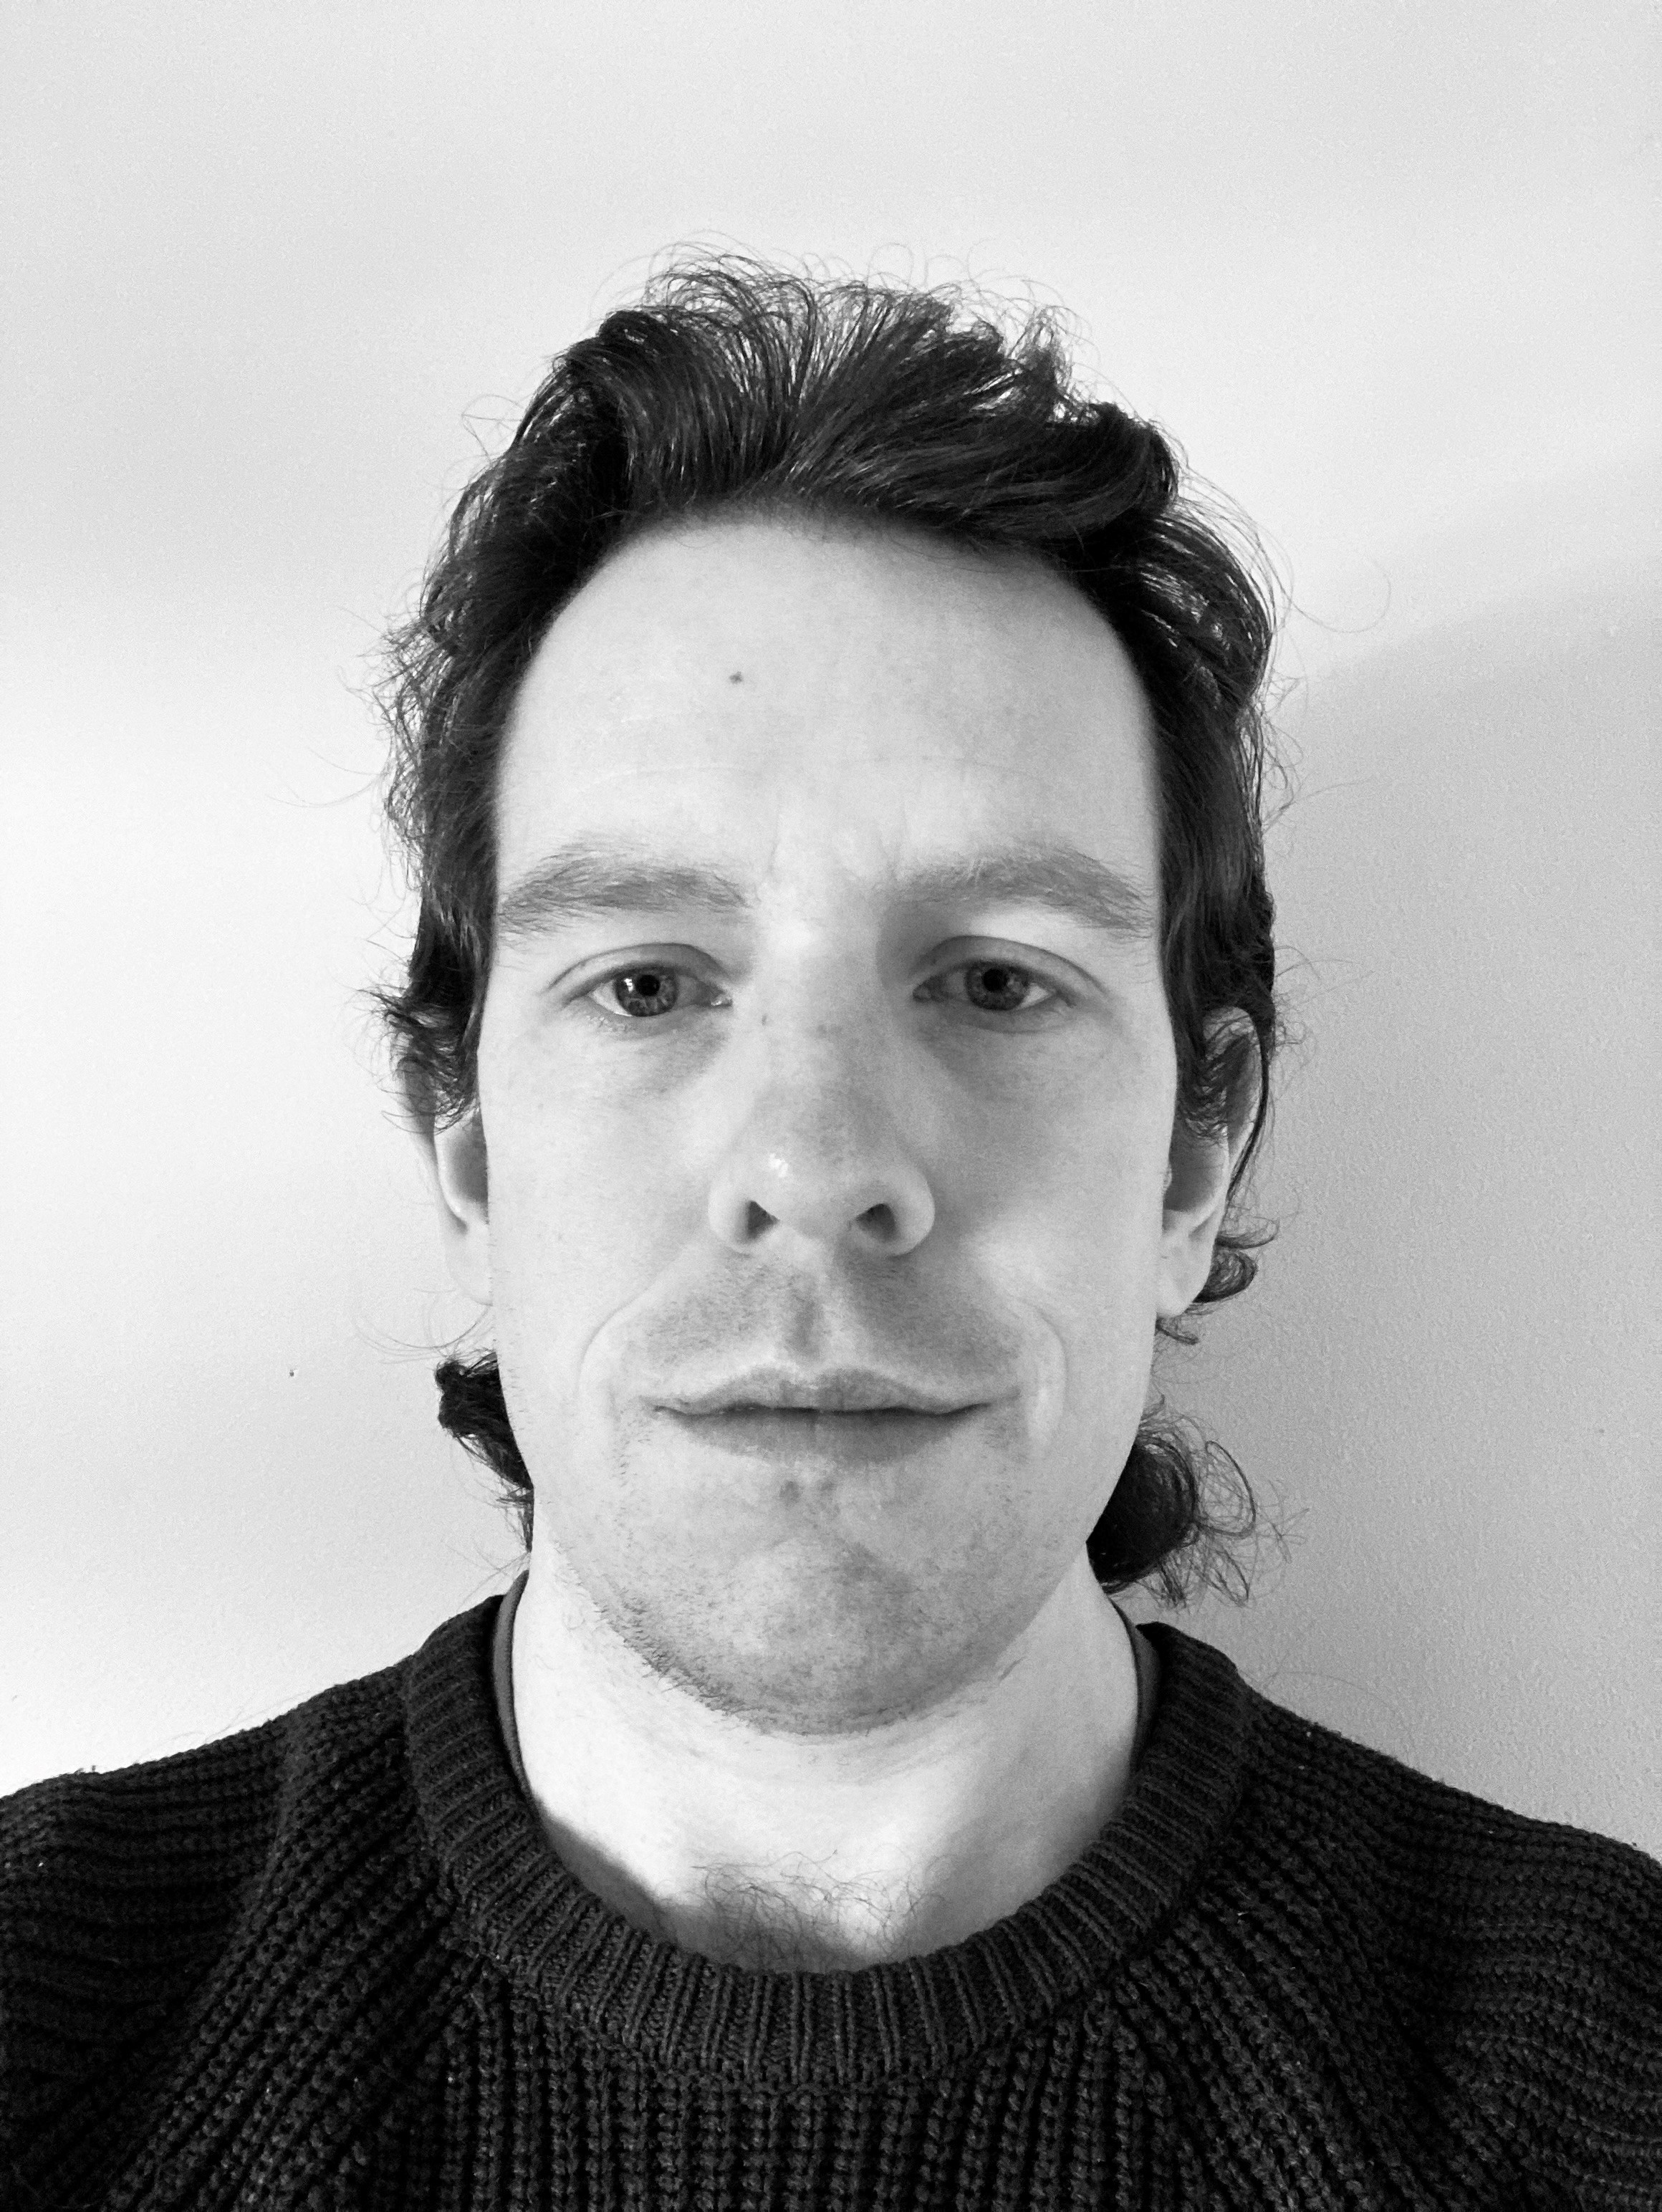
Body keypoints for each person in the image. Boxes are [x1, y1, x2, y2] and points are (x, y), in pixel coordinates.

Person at [1, 258, 1656, 2211]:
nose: (815, 1159)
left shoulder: (1604, 2088)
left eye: (998, 982)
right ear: (467, 1148)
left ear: (1196, 1158)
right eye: (646, 984)